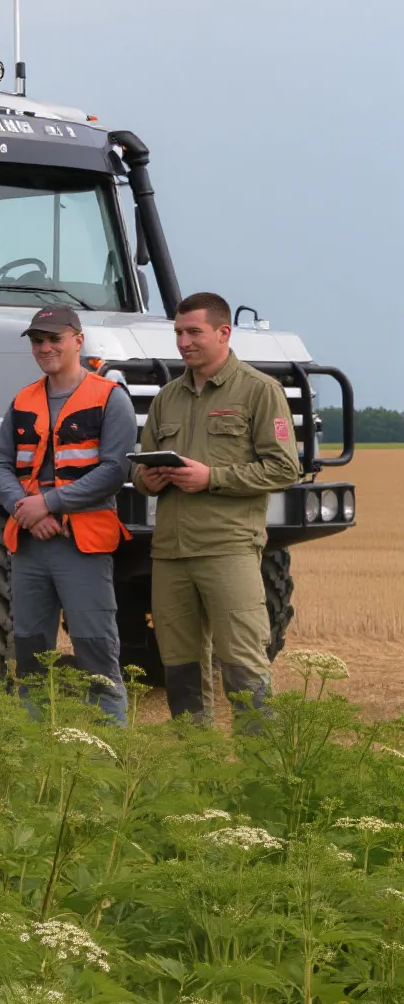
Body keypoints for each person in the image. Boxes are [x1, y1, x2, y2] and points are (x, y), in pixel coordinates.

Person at [135, 291, 300, 726]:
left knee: (244, 665)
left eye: (194, 332)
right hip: (170, 552)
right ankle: (197, 771)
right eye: (178, 333)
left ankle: (261, 777)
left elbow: (285, 468)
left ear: (224, 333)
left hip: (228, 548)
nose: (183, 342)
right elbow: (142, 468)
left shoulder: (260, 391)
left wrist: (213, 478)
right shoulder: (167, 397)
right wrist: (146, 479)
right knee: (180, 668)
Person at [0, 306, 136, 725]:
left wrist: (49, 504)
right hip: (31, 544)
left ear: (78, 339)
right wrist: (27, 510)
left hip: (82, 545)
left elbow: (114, 470)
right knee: (31, 656)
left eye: (55, 338)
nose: (46, 347)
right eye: (38, 340)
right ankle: (36, 755)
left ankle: (110, 753)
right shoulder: (23, 399)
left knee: (96, 653)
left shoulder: (110, 397)